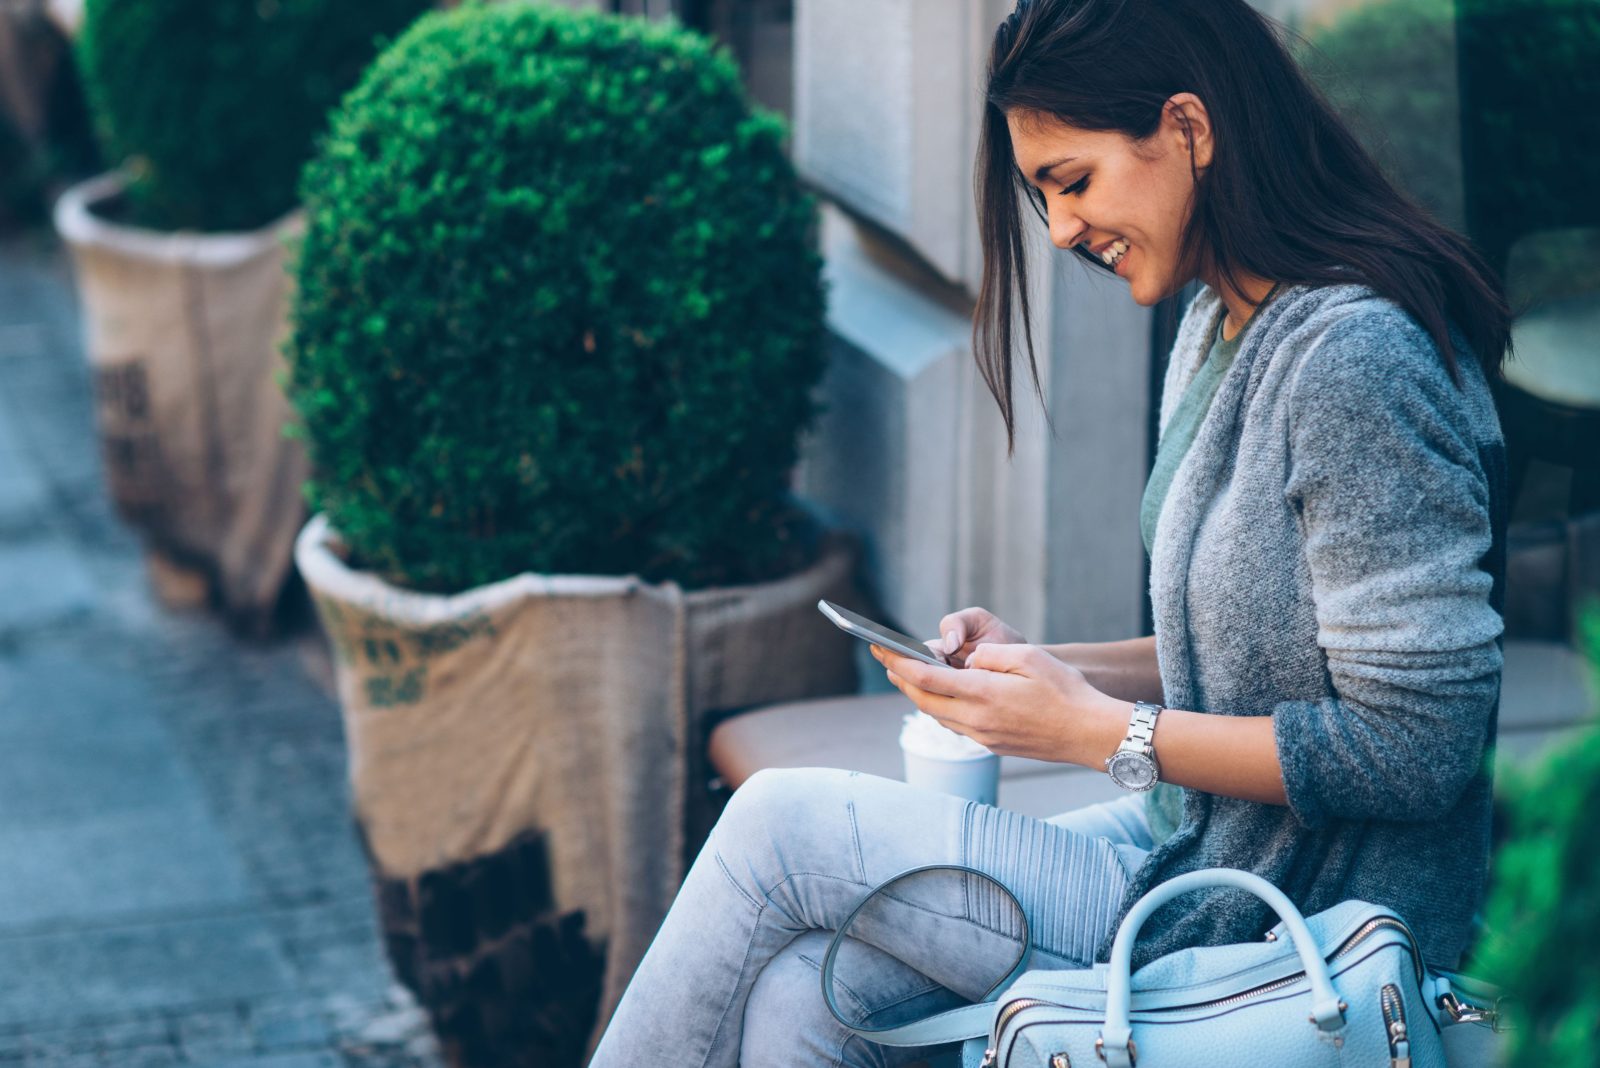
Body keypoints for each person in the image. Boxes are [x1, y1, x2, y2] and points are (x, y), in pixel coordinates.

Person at [588, 0, 1508, 1063]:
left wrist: (1093, 734)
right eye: (1044, 197)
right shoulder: (1220, 321)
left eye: (1071, 181)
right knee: (807, 993)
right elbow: (1272, 663)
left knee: (777, 828)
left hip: (1289, 919)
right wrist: (1045, 674)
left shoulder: (1356, 360)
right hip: (1194, 843)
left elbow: (1414, 746)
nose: (1062, 230)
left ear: (1190, 130)